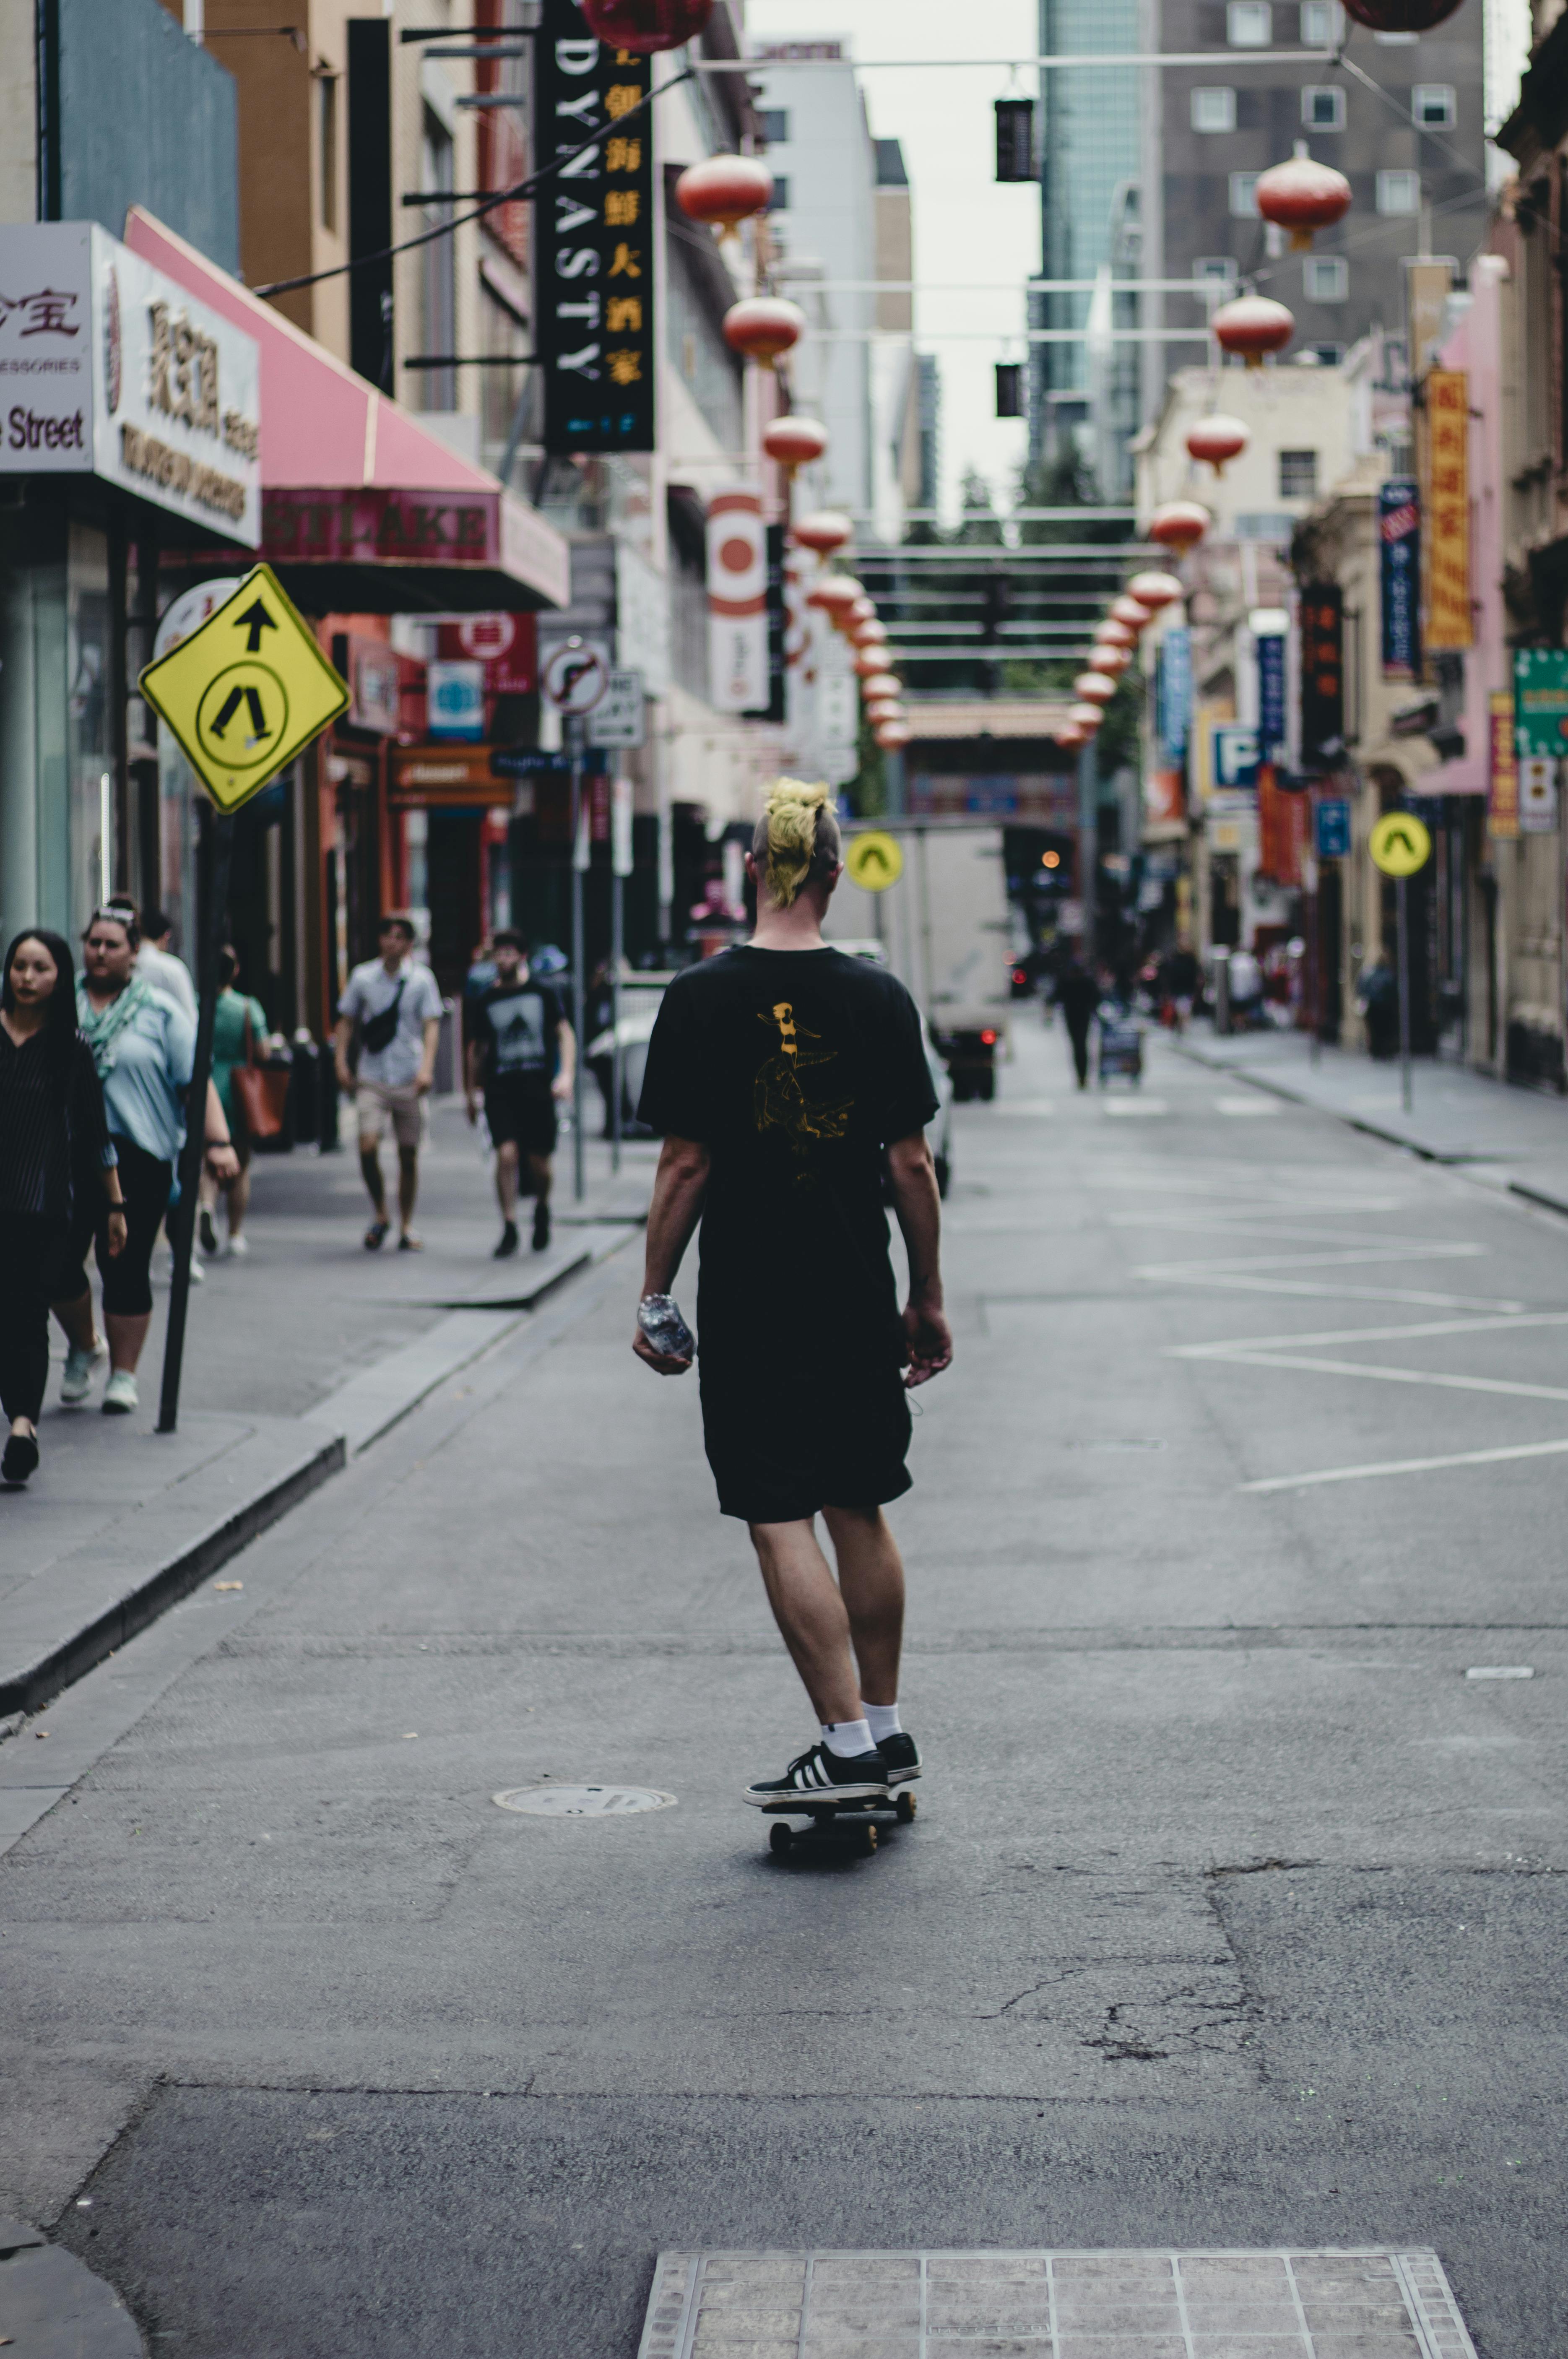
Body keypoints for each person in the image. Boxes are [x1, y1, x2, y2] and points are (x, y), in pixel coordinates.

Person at [633, 779, 953, 1808]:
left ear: (746, 874)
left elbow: (685, 1163)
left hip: (756, 1297)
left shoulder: (698, 997)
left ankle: (846, 1741)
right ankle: (887, 1727)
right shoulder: (881, 998)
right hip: (857, 1288)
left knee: (778, 1510)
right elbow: (911, 1166)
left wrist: (654, 1291)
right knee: (855, 1501)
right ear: (835, 871)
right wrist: (927, 1292)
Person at [50, 907, 238, 1416]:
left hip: (141, 1155)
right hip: (65, 1157)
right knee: (58, 1263)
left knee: (125, 1266)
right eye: (94, 943)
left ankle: (124, 1375)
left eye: (113, 945)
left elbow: (194, 1085)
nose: (101, 953)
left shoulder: (159, 1012)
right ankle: (85, 1345)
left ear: (135, 953)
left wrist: (218, 1143)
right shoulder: (59, 1007)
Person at [0, 931, 126, 1485]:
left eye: (40, 969)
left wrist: (116, 1203)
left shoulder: (70, 1047)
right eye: (19, 967)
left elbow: (96, 1134)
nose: (26, 978)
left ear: (59, 977)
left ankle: (23, 1424)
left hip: (40, 1205)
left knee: (26, 1314)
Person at [334, 914, 443, 1251]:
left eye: (398, 937)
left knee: (408, 1153)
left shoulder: (422, 980)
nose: (391, 943)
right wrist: (340, 1062)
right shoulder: (363, 977)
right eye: (386, 936)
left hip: (409, 1075)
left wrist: (426, 1069)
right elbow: (346, 1021)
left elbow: (431, 1026)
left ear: (409, 944)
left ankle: (407, 1224)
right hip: (372, 1074)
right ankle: (381, 1213)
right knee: (367, 1146)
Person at [464, 929, 575, 1257]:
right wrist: (472, 1093)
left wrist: (565, 1075)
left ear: (523, 956)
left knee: (539, 1162)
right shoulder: (487, 999)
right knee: (506, 1154)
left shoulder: (542, 992)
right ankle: (510, 1225)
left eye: (510, 953)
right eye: (499, 954)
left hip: (537, 1085)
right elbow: (477, 1049)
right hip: (501, 1087)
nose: (504, 960)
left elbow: (564, 1033)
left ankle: (542, 1207)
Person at [199, 947, 267, 1261]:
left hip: (206, 1085)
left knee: (205, 1158)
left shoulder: (199, 1006)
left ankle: (208, 1206)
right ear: (235, 971)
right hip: (239, 1091)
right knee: (240, 1164)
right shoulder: (247, 1008)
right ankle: (235, 1233)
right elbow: (264, 1051)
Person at [1050, 954, 1102, 1089]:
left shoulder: (1068, 981)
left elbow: (1055, 997)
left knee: (1078, 1047)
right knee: (1081, 1046)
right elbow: (1097, 997)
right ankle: (1083, 1076)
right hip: (1082, 1017)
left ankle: (1082, 1076)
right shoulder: (1085, 981)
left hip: (1074, 1017)